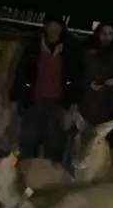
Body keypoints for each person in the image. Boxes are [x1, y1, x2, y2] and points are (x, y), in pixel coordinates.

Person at [11, 16, 80, 162]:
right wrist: (15, 97)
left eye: (58, 27)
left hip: (57, 105)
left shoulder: (70, 49)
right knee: (28, 145)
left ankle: (48, 180)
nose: (54, 30)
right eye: (51, 26)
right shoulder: (34, 47)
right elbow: (22, 72)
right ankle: (26, 177)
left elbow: (75, 78)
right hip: (34, 103)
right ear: (45, 27)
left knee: (54, 148)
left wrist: (72, 102)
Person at [78, 22, 113, 126]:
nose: (106, 37)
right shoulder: (86, 53)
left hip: (108, 110)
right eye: (104, 33)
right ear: (98, 33)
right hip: (87, 107)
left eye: (110, 34)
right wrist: (88, 85)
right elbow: (76, 76)